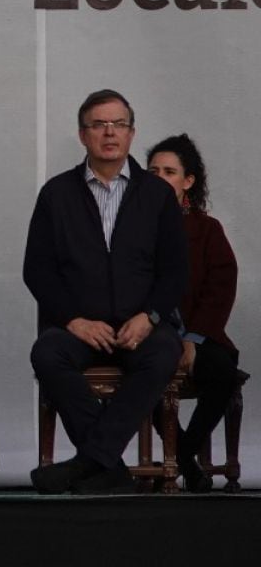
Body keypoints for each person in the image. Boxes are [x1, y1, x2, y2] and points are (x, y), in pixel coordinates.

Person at [25, 89, 186, 495]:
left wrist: (150, 317)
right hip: (81, 326)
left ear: (132, 134)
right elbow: (37, 270)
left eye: (119, 124)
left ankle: (88, 462)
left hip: (140, 325)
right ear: (83, 135)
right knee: (47, 353)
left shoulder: (157, 195)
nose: (109, 133)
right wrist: (74, 321)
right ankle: (108, 466)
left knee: (165, 351)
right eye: (99, 125)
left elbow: (175, 271)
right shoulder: (56, 194)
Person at [145, 133, 239, 492]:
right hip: (149, 333)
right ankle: (185, 463)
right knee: (142, 372)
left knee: (221, 372)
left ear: (188, 181)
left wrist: (193, 339)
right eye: (152, 171)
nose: (159, 178)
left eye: (169, 171)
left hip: (197, 331)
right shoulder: (133, 229)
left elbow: (220, 288)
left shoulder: (206, 229)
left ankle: (181, 455)